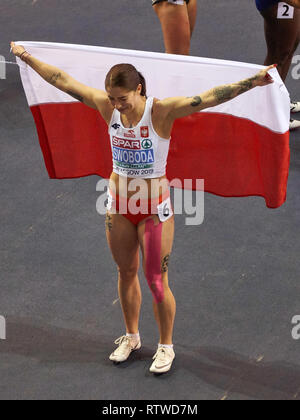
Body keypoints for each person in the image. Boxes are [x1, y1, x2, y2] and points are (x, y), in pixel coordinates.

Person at [10, 41, 276, 374]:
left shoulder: (161, 112)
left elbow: (208, 98)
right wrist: (27, 57)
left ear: (138, 89)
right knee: (125, 272)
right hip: (119, 205)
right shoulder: (107, 108)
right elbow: (63, 80)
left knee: (156, 280)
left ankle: (166, 346)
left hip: (153, 210)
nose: (116, 105)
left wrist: (251, 81)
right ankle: (131, 336)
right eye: (111, 98)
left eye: (122, 98)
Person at [257, 0, 300, 129]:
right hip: (279, 3)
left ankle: (279, 101)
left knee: (288, 49)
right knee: (278, 56)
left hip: (285, 5)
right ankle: (269, 111)